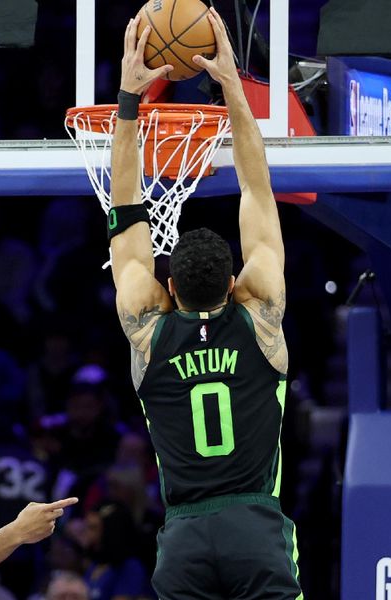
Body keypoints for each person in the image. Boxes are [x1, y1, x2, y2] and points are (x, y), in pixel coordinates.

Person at [108, 9, 303, 599]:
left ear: (168, 289)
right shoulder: (261, 310)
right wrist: (230, 85)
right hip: (255, 527)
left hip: (185, 537)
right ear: (235, 282)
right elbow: (255, 185)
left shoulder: (146, 323)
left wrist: (128, 97)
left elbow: (125, 210)